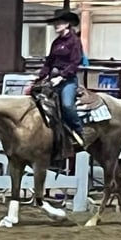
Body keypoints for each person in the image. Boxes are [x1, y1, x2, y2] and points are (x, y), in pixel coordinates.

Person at [37, 10, 85, 149]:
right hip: (53, 78)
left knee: (67, 105)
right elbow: (49, 62)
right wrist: (40, 77)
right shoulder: (56, 42)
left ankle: (79, 131)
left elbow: (75, 62)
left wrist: (62, 77)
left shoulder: (74, 41)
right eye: (55, 23)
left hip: (68, 80)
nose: (56, 25)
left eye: (59, 23)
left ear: (67, 24)